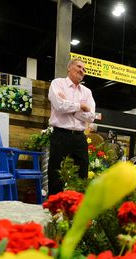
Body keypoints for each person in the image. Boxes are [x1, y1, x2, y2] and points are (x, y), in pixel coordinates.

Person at [47, 59, 96, 195]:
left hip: (80, 137)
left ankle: (78, 207)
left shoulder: (87, 92)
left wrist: (71, 108)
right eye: (79, 66)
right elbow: (58, 105)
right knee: (56, 173)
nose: (82, 70)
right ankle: (54, 208)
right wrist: (80, 106)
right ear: (69, 68)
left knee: (82, 173)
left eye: (84, 69)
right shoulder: (57, 83)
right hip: (60, 135)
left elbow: (91, 117)